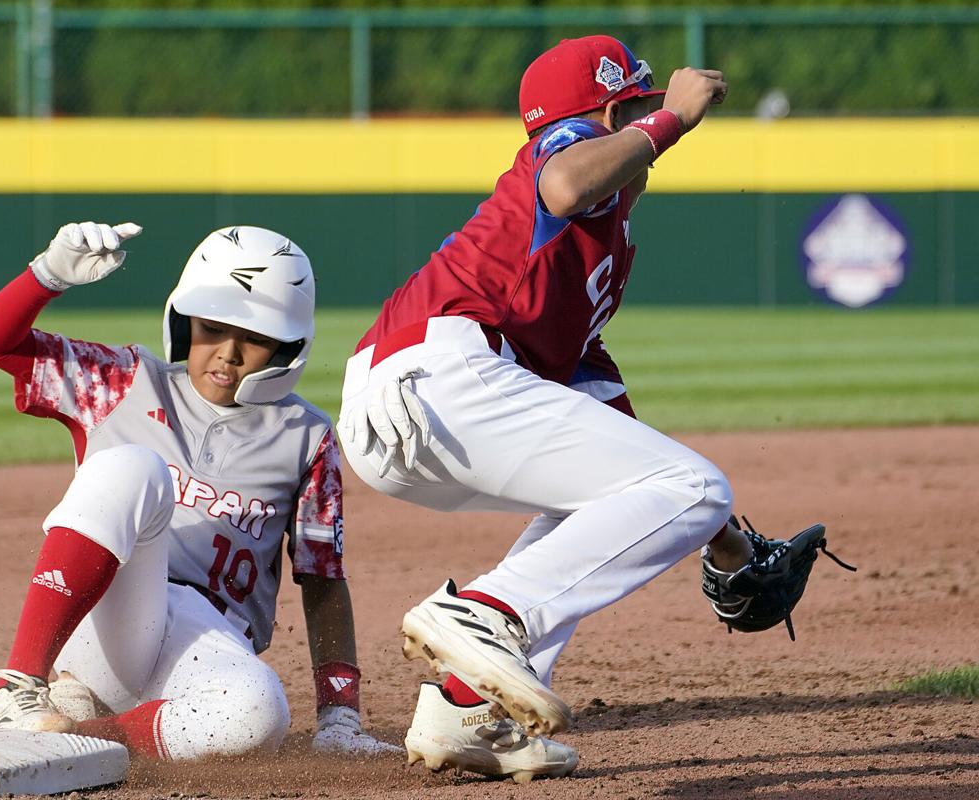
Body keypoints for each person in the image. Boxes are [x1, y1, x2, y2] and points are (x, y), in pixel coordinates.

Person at [337, 36, 847, 782]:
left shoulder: (594, 266)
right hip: (442, 372)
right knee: (700, 486)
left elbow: (624, 448)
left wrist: (725, 544)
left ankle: (465, 708)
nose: (647, 126)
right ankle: (488, 614)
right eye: (637, 107)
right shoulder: (572, 154)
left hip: (416, 403)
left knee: (636, 500)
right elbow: (566, 181)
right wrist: (672, 119)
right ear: (615, 110)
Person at [0, 221, 398, 761]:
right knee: (130, 466)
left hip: (203, 645)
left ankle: (75, 734)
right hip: (103, 616)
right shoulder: (124, 381)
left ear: (287, 347)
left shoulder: (306, 436)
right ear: (184, 321)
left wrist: (339, 716)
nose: (227, 352)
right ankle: (15, 692)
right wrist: (48, 275)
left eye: (254, 337)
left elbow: (322, 579)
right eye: (212, 327)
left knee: (260, 711)